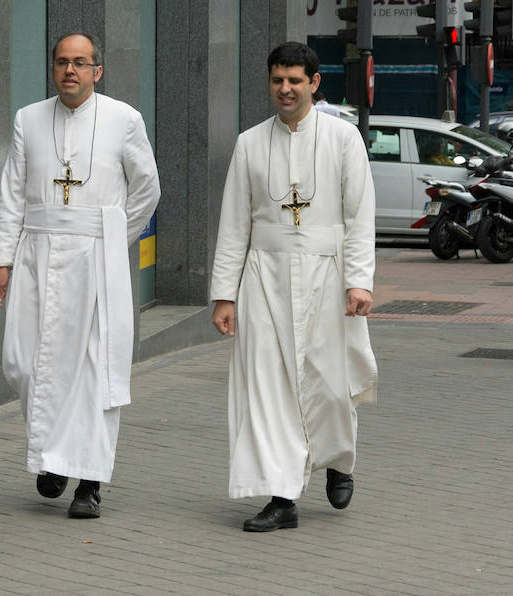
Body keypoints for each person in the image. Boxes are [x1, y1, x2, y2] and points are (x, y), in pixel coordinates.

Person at [0, 32, 160, 519]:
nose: (70, 71)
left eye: (80, 63)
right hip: (35, 252)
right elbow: (11, 194)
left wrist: (111, 238)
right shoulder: (29, 119)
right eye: (62, 62)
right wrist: (2, 261)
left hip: (94, 257)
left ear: (97, 71)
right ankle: (51, 451)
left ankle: (88, 481)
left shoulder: (124, 119)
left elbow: (147, 188)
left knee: (92, 370)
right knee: (25, 361)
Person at [210, 42, 377, 532]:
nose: (285, 89)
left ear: (314, 83)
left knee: (327, 381)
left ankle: (339, 459)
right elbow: (234, 224)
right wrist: (225, 293)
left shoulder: (344, 139)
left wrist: (359, 281)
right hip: (264, 275)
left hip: (328, 272)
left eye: (295, 81)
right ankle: (282, 496)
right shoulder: (249, 143)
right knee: (268, 386)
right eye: (278, 80)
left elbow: (359, 215)